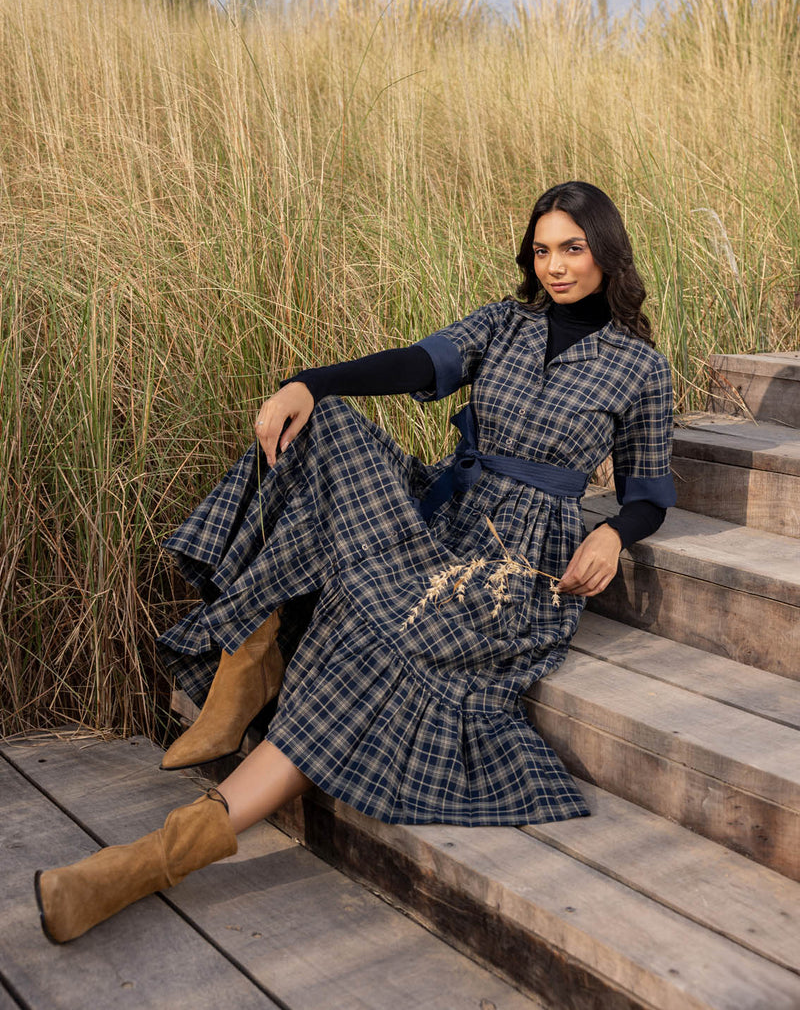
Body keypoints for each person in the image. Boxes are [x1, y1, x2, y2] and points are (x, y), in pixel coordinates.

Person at [34, 180, 676, 944]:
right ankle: (253, 646)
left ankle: (142, 863)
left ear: (606, 249)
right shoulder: (507, 323)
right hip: (445, 512)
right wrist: (309, 381)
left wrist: (612, 535)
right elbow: (416, 363)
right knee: (325, 420)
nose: (556, 267)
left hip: (512, 571)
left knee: (369, 643)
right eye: (542, 250)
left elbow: (649, 491)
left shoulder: (641, 366)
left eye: (572, 248)